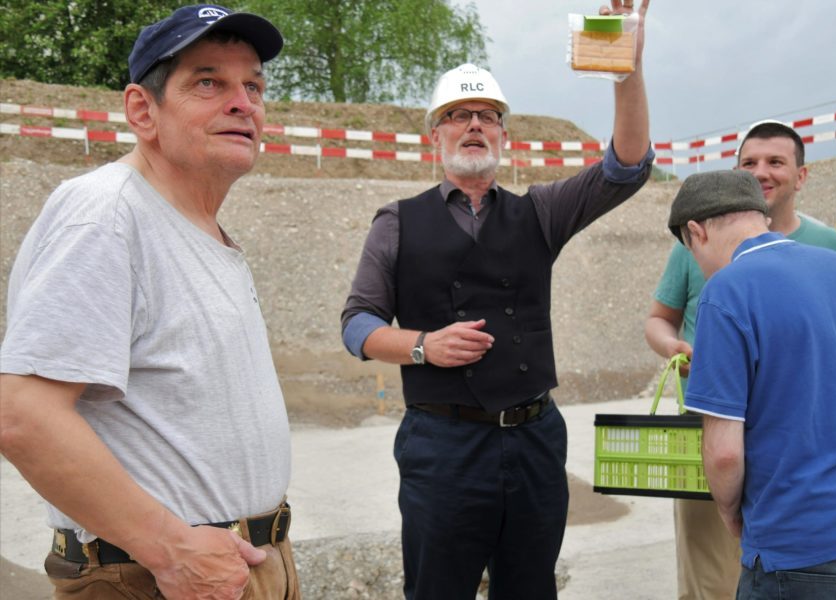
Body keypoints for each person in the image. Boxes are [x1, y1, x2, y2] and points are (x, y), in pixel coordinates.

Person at [339, 1, 652, 596]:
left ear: (504, 134)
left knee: (531, 588)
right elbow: (357, 325)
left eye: (488, 115)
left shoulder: (540, 212)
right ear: (437, 133)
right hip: (443, 446)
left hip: (534, 441)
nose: (475, 124)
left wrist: (626, 70)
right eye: (459, 114)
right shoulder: (397, 223)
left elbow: (625, 167)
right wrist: (423, 346)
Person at [0, 5, 300, 599]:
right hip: (152, 577)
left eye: (254, 86)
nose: (243, 102)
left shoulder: (194, 227)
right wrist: (170, 547)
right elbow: (23, 415)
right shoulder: (107, 215)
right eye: (209, 82)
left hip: (232, 565)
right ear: (143, 110)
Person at [643, 119, 836, 599]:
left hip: (800, 543)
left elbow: (725, 451)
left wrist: (731, 511)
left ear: (696, 232)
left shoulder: (726, 290)